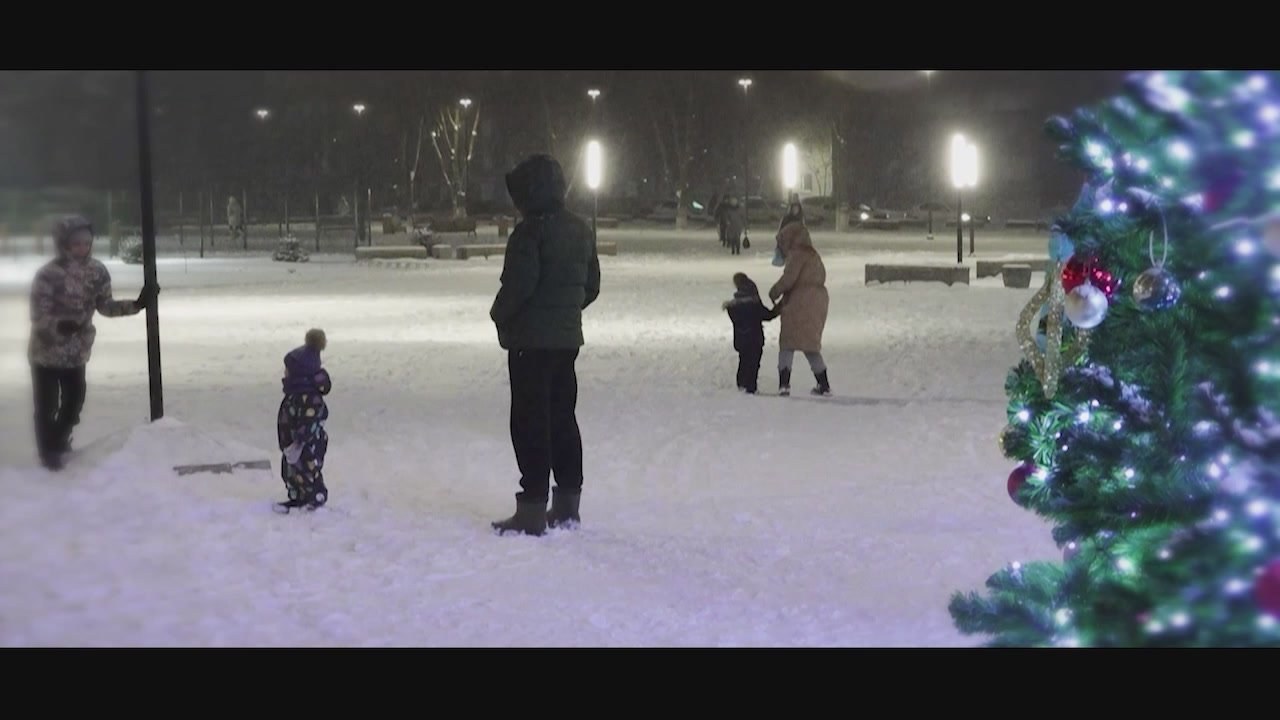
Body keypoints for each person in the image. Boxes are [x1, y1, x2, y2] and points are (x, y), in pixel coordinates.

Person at [489, 155, 601, 536]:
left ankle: (532, 508)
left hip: (530, 344)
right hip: (566, 341)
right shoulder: (581, 229)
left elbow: (519, 286)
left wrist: (499, 315)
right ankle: (568, 504)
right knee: (563, 418)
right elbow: (591, 285)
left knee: (530, 422)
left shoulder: (530, 233)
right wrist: (566, 312)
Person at [29, 215, 155, 470]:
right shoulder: (48, 275)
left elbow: (105, 306)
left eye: (86, 243)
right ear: (63, 243)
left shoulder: (96, 271)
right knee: (47, 404)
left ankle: (60, 438)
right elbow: (38, 314)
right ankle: (48, 450)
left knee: (74, 402)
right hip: (46, 352)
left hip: (76, 352)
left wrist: (136, 305)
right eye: (76, 243)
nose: (82, 248)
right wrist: (58, 325)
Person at [769, 222, 831, 397]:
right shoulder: (813, 255)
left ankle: (784, 384)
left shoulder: (797, 254)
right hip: (818, 301)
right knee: (811, 345)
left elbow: (789, 278)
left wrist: (775, 291)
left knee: (788, 344)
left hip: (799, 300)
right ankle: (824, 384)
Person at [274, 329, 332, 514]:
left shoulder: (309, 397)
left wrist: (300, 440)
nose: (285, 372)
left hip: (307, 445)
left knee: (308, 470)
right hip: (292, 444)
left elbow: (311, 420)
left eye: (288, 370)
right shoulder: (296, 394)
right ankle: (298, 496)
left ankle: (315, 496)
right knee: (290, 472)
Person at [723, 272, 780, 394]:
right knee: (753, 363)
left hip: (741, 339)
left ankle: (741, 383)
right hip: (755, 338)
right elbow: (767, 315)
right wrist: (778, 308)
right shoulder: (754, 304)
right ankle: (750, 386)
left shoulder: (734, 306)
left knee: (743, 360)